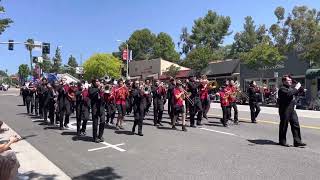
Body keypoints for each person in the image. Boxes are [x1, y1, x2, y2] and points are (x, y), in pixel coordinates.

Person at [278, 75, 306, 147]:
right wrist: (296, 88)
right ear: (284, 81)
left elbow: (299, 92)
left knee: (295, 124)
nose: (290, 81)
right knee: (284, 125)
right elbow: (289, 94)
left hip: (292, 109)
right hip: (284, 109)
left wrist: (300, 88)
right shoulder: (282, 89)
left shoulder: (291, 88)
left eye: (291, 80)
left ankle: (297, 141)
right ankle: (282, 141)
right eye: (288, 80)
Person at [89, 78, 106, 143]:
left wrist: (105, 91)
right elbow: (91, 94)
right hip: (95, 107)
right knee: (95, 123)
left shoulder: (102, 88)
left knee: (103, 121)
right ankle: (95, 137)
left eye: (98, 81)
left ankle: (100, 135)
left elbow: (106, 97)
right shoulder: (91, 88)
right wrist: (98, 89)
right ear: (93, 82)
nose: (98, 82)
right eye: (96, 81)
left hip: (101, 106)